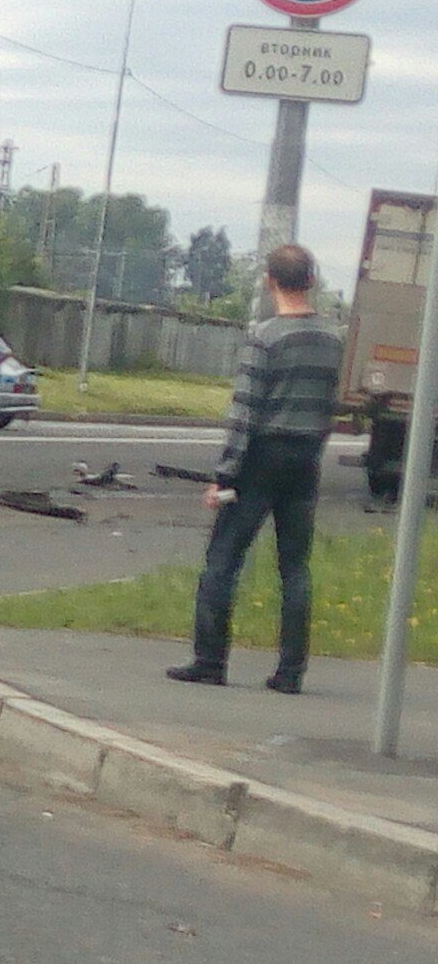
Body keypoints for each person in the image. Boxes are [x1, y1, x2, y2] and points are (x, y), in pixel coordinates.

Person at [168, 244, 345, 694]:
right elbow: (329, 406)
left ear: (270, 281)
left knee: (223, 559)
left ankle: (210, 660)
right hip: (306, 459)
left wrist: (224, 476)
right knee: (295, 567)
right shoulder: (333, 341)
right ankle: (290, 672)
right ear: (311, 280)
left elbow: (244, 412)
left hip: (261, 458)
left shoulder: (264, 337)